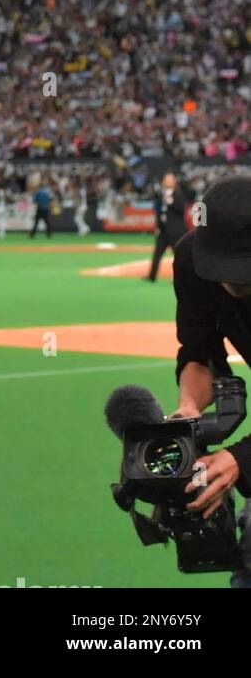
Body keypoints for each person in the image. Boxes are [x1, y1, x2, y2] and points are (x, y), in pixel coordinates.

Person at [169, 176, 251, 587]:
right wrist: (188, 413)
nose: (230, 282)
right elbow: (199, 350)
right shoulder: (191, 260)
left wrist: (242, 458)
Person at [148, 170, 189, 283]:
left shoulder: (178, 194)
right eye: (166, 179)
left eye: (170, 179)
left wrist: (171, 202)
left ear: (174, 181)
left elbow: (181, 209)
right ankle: (151, 276)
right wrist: (158, 226)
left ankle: (182, 278)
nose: (168, 181)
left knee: (179, 257)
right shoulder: (161, 195)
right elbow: (158, 211)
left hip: (176, 232)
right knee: (157, 254)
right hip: (163, 231)